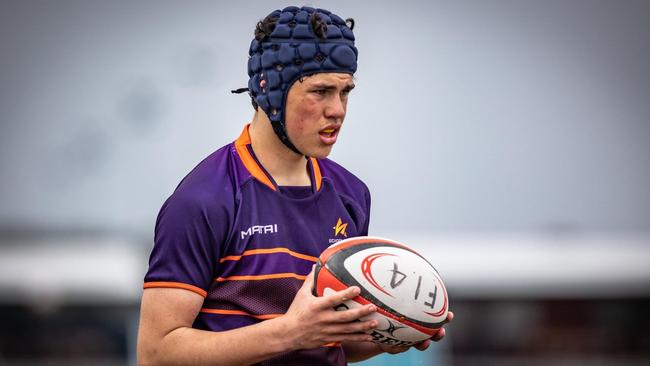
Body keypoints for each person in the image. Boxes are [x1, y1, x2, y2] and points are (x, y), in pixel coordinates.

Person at [137, 5, 452, 365]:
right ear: (269, 90)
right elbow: (156, 353)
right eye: (320, 91)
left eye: (345, 92)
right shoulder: (205, 199)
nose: (337, 110)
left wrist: (393, 334)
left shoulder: (351, 194)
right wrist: (291, 331)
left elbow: (329, 340)